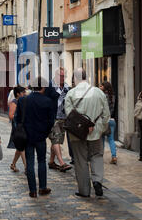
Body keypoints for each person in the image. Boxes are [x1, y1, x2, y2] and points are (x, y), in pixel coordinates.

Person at [64, 69, 110, 198]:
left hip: (77, 134)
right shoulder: (98, 92)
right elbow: (106, 115)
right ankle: (97, 181)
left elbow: (69, 115)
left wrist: (82, 126)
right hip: (95, 132)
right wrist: (100, 128)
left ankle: (84, 190)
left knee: (81, 161)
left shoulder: (71, 94)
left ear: (75, 79)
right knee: (97, 156)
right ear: (87, 77)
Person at [16, 77, 55, 198]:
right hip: (40, 136)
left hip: (27, 136)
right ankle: (42, 187)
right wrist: (45, 132)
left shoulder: (23, 100)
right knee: (42, 161)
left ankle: (32, 190)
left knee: (30, 162)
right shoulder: (47, 101)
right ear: (43, 87)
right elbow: (51, 121)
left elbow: (18, 119)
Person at [47, 67, 73, 172]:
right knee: (56, 139)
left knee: (57, 140)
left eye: (64, 76)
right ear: (56, 75)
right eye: (60, 76)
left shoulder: (67, 87)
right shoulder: (50, 86)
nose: (62, 78)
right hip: (52, 117)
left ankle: (51, 162)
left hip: (63, 117)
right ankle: (62, 163)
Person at [8, 86, 27, 173]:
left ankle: (13, 164)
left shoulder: (24, 101)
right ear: (18, 94)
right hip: (17, 127)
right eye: (23, 92)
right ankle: (26, 167)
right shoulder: (14, 102)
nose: (25, 94)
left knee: (19, 147)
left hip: (23, 126)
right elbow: (11, 115)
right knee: (22, 146)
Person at [100, 81, 118, 164]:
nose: (100, 87)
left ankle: (100, 156)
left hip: (104, 120)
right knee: (111, 140)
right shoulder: (113, 96)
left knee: (102, 139)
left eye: (101, 86)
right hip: (112, 120)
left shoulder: (103, 96)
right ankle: (114, 156)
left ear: (105, 87)